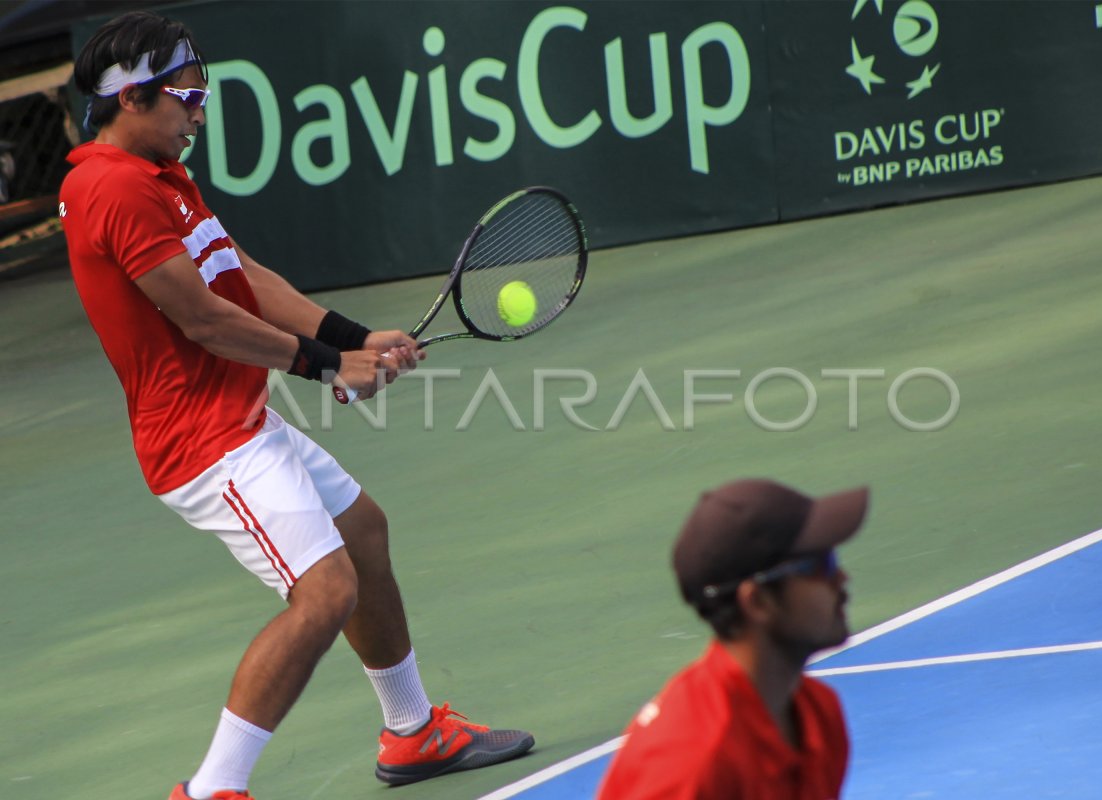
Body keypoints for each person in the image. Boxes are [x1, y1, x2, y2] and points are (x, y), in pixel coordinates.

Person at [59, 11, 532, 800]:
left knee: (364, 532)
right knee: (326, 592)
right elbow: (205, 320)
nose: (198, 114)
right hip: (204, 444)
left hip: (240, 420)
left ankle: (412, 732)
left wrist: (351, 337)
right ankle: (214, 788)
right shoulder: (108, 187)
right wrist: (328, 367)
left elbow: (239, 274)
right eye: (186, 97)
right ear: (133, 98)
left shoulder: (160, 174)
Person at [597, 478, 868, 800]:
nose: (841, 577)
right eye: (820, 565)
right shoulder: (693, 763)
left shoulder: (818, 715)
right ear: (758, 602)